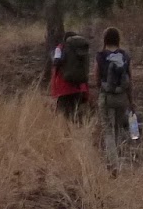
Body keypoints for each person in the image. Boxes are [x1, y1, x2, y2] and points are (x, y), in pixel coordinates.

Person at [95, 26, 134, 164]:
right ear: (118, 39)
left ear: (105, 39)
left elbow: (97, 78)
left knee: (108, 130)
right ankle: (117, 156)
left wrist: (101, 91)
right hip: (122, 97)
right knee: (118, 128)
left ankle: (113, 162)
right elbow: (130, 79)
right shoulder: (125, 56)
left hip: (106, 97)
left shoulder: (100, 56)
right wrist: (131, 100)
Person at [50, 33, 90, 119]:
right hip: (80, 88)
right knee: (76, 115)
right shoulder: (82, 49)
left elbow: (56, 62)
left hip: (64, 88)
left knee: (63, 117)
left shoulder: (60, 48)